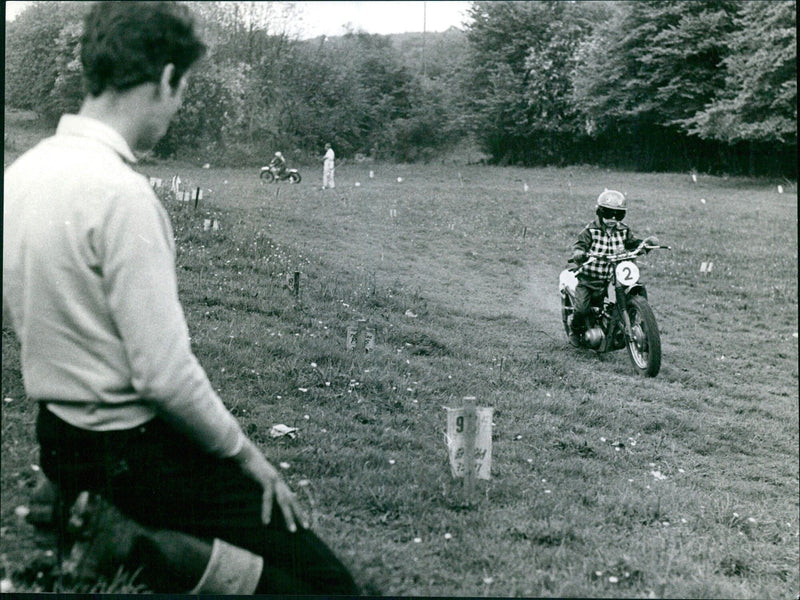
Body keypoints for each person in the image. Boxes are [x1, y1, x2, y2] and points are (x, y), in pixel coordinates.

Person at [2, 2, 358, 594]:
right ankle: (135, 547)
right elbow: (162, 375)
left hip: (59, 437)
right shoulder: (122, 196)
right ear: (167, 78)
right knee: (327, 585)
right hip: (132, 452)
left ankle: (92, 510)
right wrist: (247, 458)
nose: (178, 104)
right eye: (183, 87)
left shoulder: (20, 177)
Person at [570, 189, 659, 347]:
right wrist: (579, 252)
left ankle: (633, 321)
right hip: (589, 278)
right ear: (600, 212)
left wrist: (645, 244)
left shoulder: (623, 230)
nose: (612, 219)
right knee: (582, 309)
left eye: (617, 215)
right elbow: (580, 244)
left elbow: (633, 243)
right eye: (608, 213)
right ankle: (575, 331)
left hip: (612, 277)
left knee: (626, 295)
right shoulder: (590, 230)